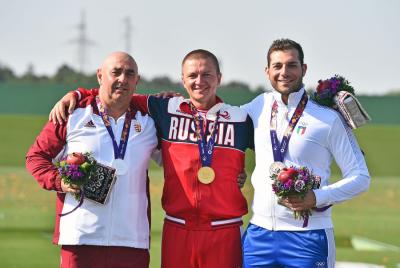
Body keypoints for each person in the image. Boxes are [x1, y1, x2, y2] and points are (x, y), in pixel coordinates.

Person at [48, 49, 254, 268]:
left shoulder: (241, 118)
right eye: (192, 75)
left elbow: (270, 147)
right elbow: (115, 93)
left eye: (207, 75)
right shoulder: (165, 109)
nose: (199, 81)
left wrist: (243, 174)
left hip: (225, 228)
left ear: (219, 78)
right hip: (177, 227)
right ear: (182, 80)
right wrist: (79, 94)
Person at [240, 39, 370, 267]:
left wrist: (317, 197)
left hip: (308, 238)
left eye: (291, 65)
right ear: (267, 71)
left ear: (304, 69)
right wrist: (170, 103)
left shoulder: (327, 118)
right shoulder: (257, 106)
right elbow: (215, 119)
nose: (284, 72)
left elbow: (360, 178)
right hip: (258, 236)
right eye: (277, 66)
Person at [26, 52, 158, 268]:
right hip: (80, 238)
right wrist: (60, 181)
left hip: (132, 241)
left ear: (137, 80)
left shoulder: (149, 121)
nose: (122, 79)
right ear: (100, 76)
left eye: (129, 73)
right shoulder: (72, 113)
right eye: (115, 72)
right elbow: (36, 157)